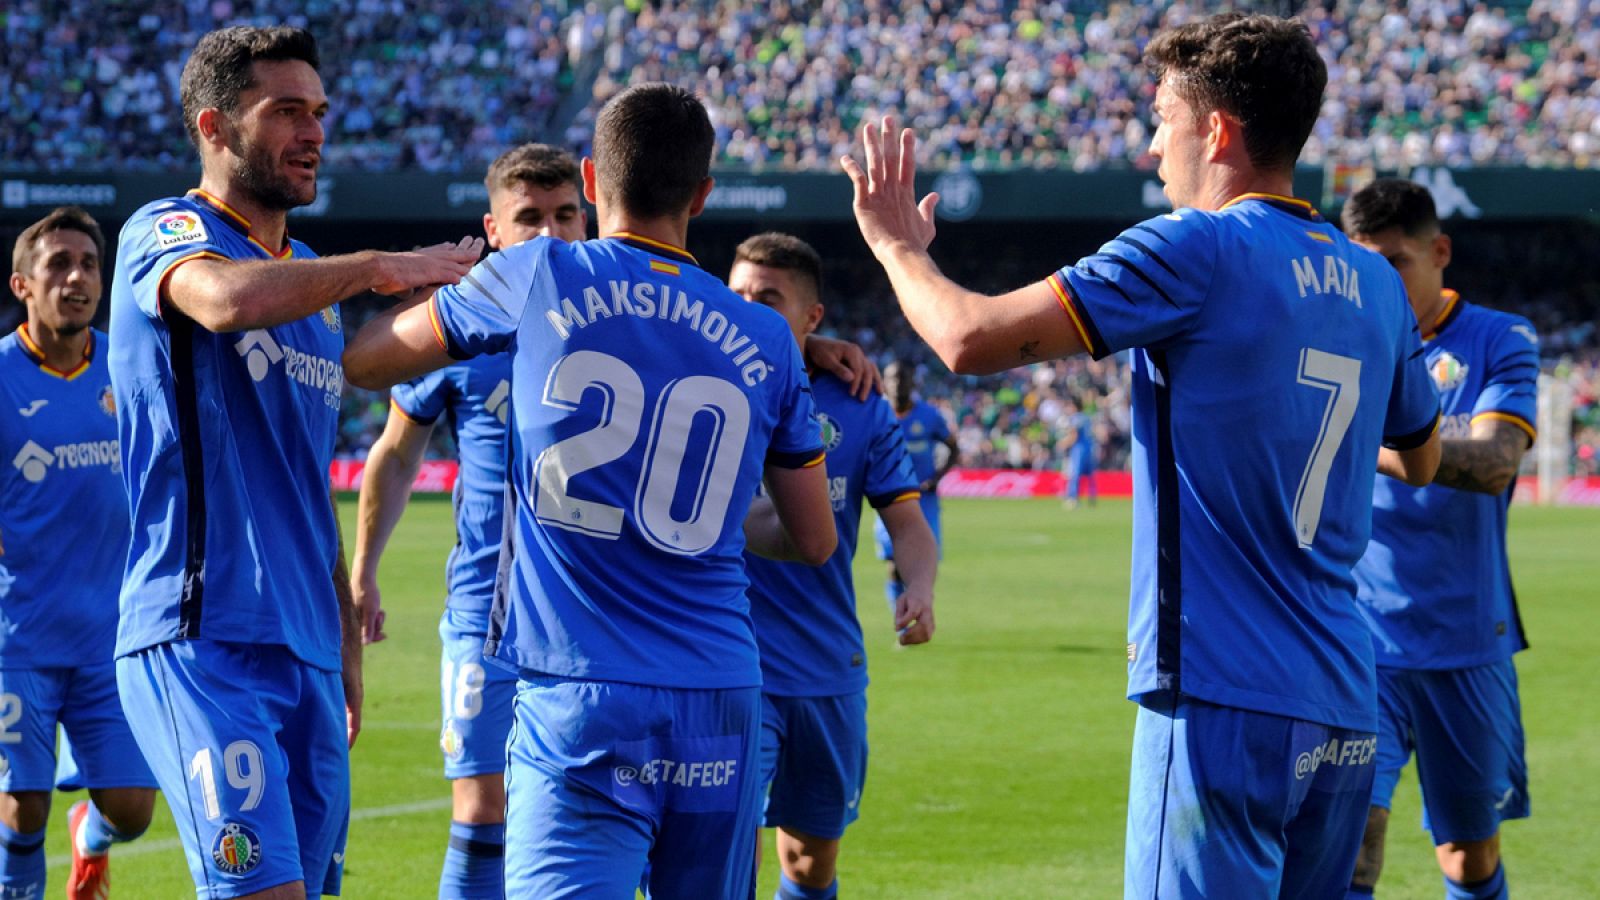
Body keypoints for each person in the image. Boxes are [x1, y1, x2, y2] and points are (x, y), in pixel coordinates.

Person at [840, 13, 1443, 896]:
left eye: (1160, 118)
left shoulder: (1196, 244)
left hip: (1222, 697)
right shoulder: (1377, 283)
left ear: (1216, 129)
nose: (1153, 147)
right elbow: (1421, 460)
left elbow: (968, 339)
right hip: (1346, 703)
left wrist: (895, 245)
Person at [342, 83, 838, 899]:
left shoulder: (535, 273)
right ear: (704, 194)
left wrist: (438, 286)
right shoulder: (767, 339)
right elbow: (813, 540)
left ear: (592, 179)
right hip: (720, 694)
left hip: (582, 695)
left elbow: (367, 362)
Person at [107, 26, 479, 900]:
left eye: (318, 112)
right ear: (214, 125)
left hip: (307, 648)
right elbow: (227, 302)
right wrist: (382, 265)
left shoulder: (308, 274)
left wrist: (343, 640)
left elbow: (301, 475)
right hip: (202, 635)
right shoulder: (165, 230)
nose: (313, 132)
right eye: (285, 113)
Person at [350, 142, 588, 900]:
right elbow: (393, 454)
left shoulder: (621, 317)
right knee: (482, 815)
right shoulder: (451, 333)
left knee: (595, 822)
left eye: (565, 215)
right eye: (529, 218)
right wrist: (363, 571)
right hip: (485, 612)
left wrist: (816, 344)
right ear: (493, 228)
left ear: (589, 219)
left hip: (595, 621)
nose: (549, 234)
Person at [1343, 179, 1538, 900]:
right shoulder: (1340, 338)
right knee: (1351, 843)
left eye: (1394, 263)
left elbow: (1492, 462)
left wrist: (1360, 432)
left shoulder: (1498, 338)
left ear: (1439, 252)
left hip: (1465, 638)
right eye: (1365, 267)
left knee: (1466, 855)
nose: (1380, 284)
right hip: (1361, 642)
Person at [729, 233, 937, 900]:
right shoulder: (695, 378)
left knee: (809, 860)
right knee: (718, 842)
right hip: (727, 662)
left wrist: (920, 586)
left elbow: (907, 520)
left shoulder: (859, 403)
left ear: (811, 317)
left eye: (768, 299)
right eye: (738, 296)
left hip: (825, 664)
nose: (749, 309)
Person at [0, 207, 159, 900]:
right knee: (19, 807)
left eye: (90, 265)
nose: (77, 278)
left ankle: (88, 835)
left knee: (132, 810)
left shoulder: (131, 364)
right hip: (18, 637)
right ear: (22, 286)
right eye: (58, 265)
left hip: (113, 637)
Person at [873, 359, 957, 611]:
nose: (898, 384)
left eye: (903, 378)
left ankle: (919, 610)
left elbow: (953, 448)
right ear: (884, 383)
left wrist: (936, 478)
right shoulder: (877, 414)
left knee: (923, 560)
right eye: (892, 378)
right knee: (894, 563)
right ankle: (900, 618)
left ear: (913, 382)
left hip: (924, 501)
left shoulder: (930, 416)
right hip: (889, 499)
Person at [1059, 393, 1099, 508]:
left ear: (1074, 406)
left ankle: (1073, 498)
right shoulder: (1086, 417)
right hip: (1089, 448)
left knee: (1075, 474)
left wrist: (1063, 443)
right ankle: (1092, 498)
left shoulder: (1075, 418)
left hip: (1079, 449)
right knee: (1090, 474)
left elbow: (1074, 435)